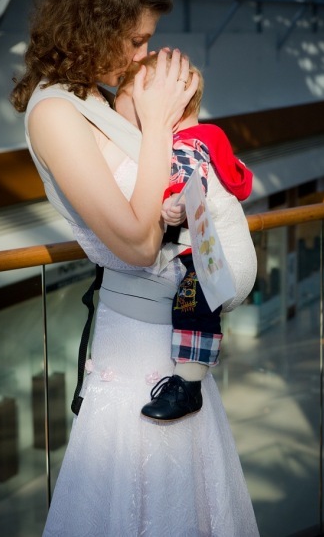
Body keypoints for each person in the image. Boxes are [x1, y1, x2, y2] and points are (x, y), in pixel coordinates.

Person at [10, 0, 260, 536]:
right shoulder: (55, 112)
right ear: (96, 26)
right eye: (137, 39)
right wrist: (158, 126)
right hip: (135, 348)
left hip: (167, 341)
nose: (143, 53)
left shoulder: (94, 98)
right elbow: (138, 244)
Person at [115, 52, 257, 422]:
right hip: (228, 257)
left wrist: (172, 206)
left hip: (219, 267)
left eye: (134, 108)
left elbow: (186, 186)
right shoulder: (210, 136)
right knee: (190, 299)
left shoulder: (183, 145)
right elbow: (241, 182)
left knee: (189, 304)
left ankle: (188, 386)